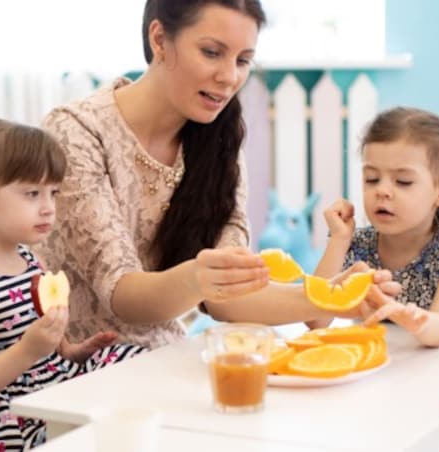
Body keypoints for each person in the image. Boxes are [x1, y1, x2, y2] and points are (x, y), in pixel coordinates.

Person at [37, 0, 400, 349]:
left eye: (243, 60)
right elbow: (123, 297)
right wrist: (199, 277)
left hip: (161, 359)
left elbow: (229, 299)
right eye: (212, 52)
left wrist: (331, 297)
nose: (229, 77)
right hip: (72, 375)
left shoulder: (219, 140)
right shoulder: (77, 133)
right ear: (160, 39)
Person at [0, 119, 144, 451]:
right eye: (32, 194)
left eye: (53, 192)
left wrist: (70, 350)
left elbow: (37, 327)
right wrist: (27, 352)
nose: (49, 207)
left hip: (44, 385)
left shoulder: (28, 258)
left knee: (128, 360)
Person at [316, 107, 439, 347]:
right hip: (384, 369)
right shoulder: (356, 246)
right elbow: (315, 320)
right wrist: (338, 241)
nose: (381, 190)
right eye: (372, 178)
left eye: (403, 182)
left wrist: (411, 318)